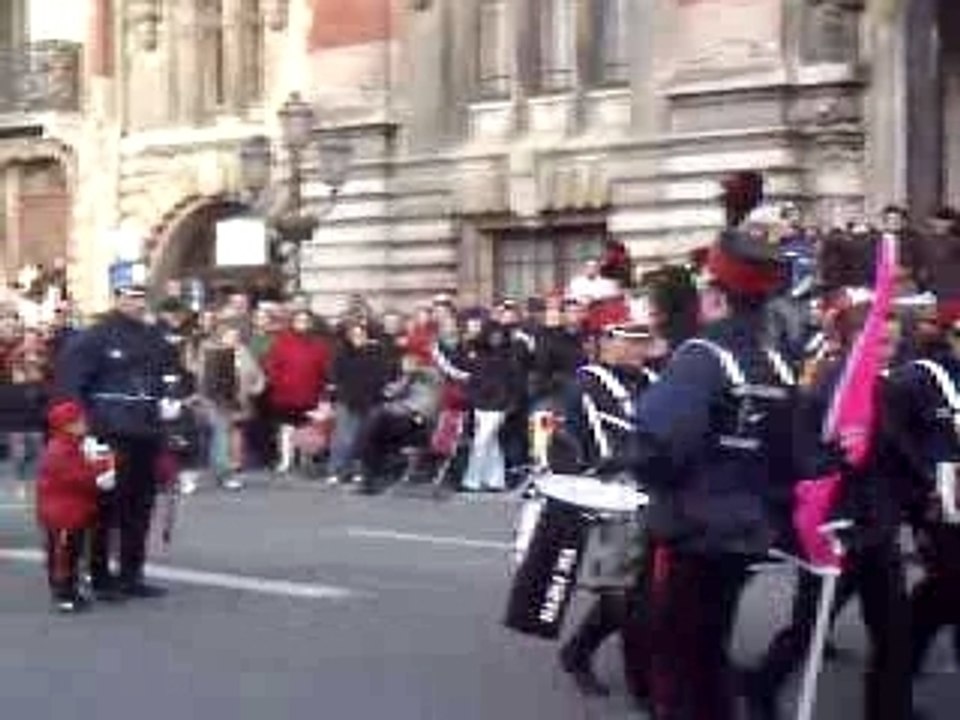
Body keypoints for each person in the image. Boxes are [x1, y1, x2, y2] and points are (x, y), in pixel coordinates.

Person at [632, 229, 798, 720]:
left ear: (715, 297)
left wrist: (652, 478)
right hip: (748, 531)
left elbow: (658, 444)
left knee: (681, 662)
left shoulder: (701, 358)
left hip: (692, 531)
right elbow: (794, 456)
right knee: (710, 649)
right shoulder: (777, 365)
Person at [743, 288, 917, 720]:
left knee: (894, 635)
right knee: (807, 629)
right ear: (852, 339)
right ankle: (761, 689)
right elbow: (805, 460)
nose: (886, 351)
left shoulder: (887, 389)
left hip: (878, 529)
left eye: (892, 343)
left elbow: (899, 455)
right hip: (835, 531)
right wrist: (832, 476)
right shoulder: (825, 390)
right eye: (877, 341)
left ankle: (888, 710)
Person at [556, 320, 658, 704]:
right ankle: (643, 688)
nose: (637, 348)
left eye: (642, 340)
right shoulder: (587, 385)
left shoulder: (650, 378)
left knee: (633, 595)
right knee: (625, 597)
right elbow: (595, 447)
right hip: (611, 498)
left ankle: (577, 652)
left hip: (649, 496)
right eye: (628, 340)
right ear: (603, 341)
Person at [57, 283, 179, 599]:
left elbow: (170, 379)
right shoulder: (95, 337)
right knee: (105, 509)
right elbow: (72, 386)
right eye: (131, 297)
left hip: (147, 433)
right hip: (108, 433)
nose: (137, 303)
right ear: (117, 298)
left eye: (141, 297)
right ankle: (99, 576)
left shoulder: (155, 338)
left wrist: (172, 413)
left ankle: (131, 574)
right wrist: (81, 431)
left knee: (140, 507)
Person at [888, 299, 960, 680]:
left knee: (946, 589)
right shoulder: (913, 379)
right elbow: (895, 440)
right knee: (946, 585)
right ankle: (901, 660)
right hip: (935, 500)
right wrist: (926, 482)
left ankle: (903, 659)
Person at [36, 400, 116, 612]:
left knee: (70, 554)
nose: (84, 422)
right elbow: (77, 476)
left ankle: (68, 590)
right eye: (79, 420)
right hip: (63, 514)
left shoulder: (70, 445)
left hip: (71, 510)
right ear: (67, 425)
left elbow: (80, 470)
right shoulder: (61, 449)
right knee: (64, 556)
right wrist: (101, 471)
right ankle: (64, 595)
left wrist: (100, 463)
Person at [263, 310, 331, 473]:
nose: (302, 323)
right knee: (287, 429)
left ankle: (305, 461)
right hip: (285, 394)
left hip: (311, 394)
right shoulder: (282, 342)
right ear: (293, 322)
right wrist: (279, 382)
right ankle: (286, 461)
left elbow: (326, 369)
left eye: (305, 320)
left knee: (307, 428)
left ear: (311, 323)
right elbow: (271, 366)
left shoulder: (319, 345)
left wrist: (323, 390)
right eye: (299, 320)